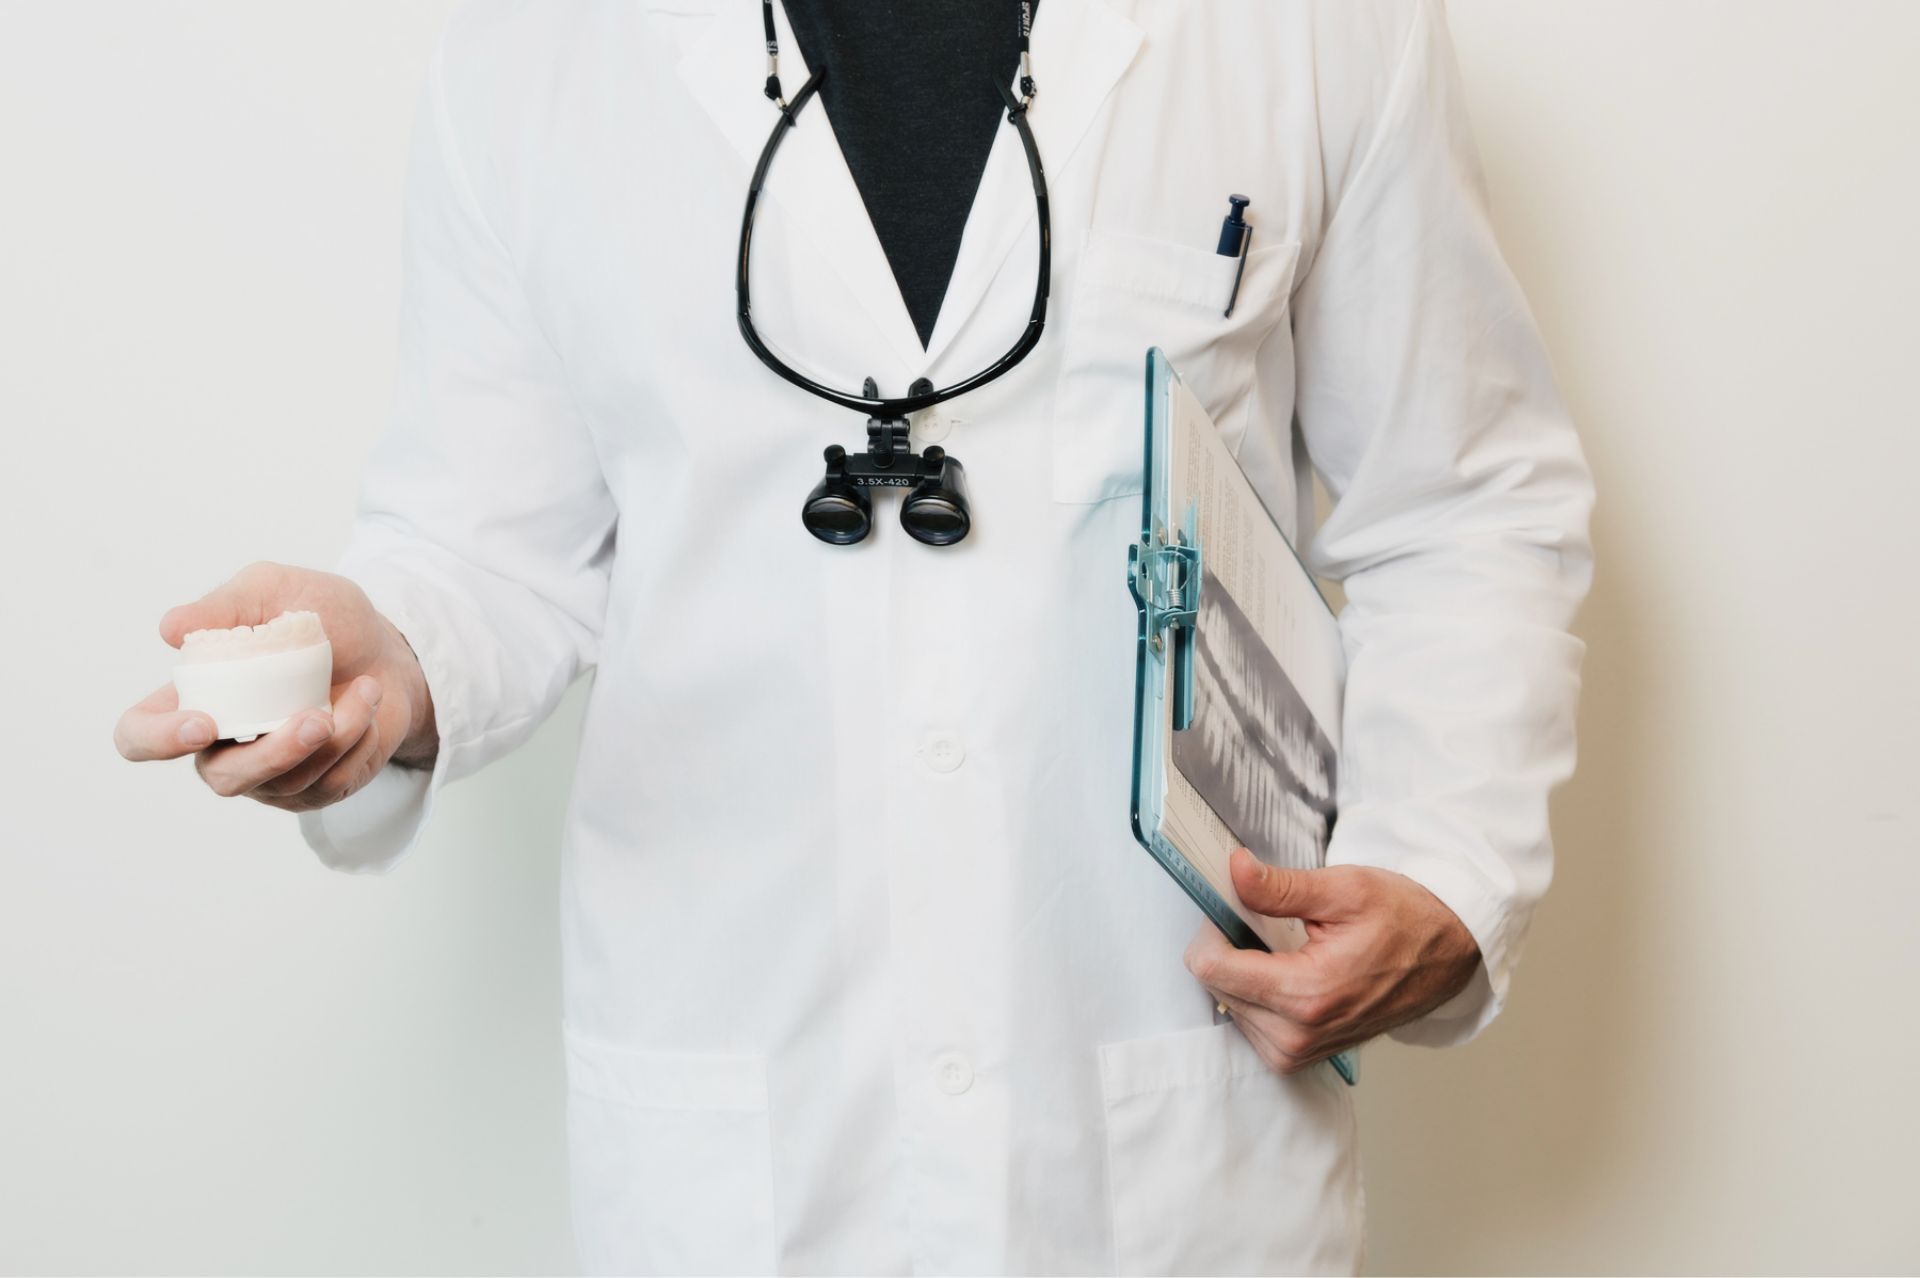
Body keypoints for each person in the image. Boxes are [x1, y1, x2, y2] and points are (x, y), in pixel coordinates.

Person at [114, 0, 1593, 1271]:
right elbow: (481, 544)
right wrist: (390, 657)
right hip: (746, 1142)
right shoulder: (540, 46)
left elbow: (1459, 500)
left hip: (1168, 1134)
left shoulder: (1307, 25)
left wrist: (1444, 867)